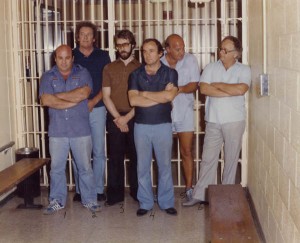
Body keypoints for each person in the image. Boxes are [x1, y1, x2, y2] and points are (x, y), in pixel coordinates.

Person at [183, 36, 251, 206]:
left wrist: (218, 84)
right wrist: (230, 90)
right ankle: (200, 194)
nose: (221, 52)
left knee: (231, 159)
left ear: (236, 54)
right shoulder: (211, 67)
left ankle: (226, 195)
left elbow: (241, 89)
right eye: (220, 49)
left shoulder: (244, 70)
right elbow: (204, 89)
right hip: (213, 120)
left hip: (234, 121)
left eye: (225, 50)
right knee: (208, 158)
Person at [40, 44, 101, 214]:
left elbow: (84, 94)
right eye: (60, 58)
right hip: (57, 131)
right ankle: (57, 200)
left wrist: (57, 96)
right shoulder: (47, 76)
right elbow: (46, 100)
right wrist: (73, 99)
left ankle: (89, 200)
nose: (64, 62)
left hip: (80, 129)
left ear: (72, 58)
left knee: (85, 167)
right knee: (56, 168)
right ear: (55, 59)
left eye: (68, 58)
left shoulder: (83, 73)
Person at [128, 38, 178, 216]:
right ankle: (145, 202)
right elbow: (133, 100)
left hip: (163, 125)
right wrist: (160, 95)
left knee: (164, 166)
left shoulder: (170, 73)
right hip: (141, 126)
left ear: (160, 53)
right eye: (144, 51)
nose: (147, 55)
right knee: (142, 166)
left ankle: (166, 202)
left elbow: (169, 98)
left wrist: (145, 94)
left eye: (151, 50)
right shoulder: (135, 75)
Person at [72, 21, 111, 202]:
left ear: (94, 38)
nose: (85, 37)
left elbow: (107, 83)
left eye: (89, 34)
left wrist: (94, 101)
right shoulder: (70, 55)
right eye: (82, 34)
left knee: (98, 150)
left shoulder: (103, 56)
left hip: (98, 108)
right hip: (75, 109)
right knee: (79, 150)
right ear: (77, 37)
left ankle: (97, 189)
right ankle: (80, 190)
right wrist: (80, 103)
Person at [102, 30, 141, 205]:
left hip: (136, 116)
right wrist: (119, 118)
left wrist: (128, 118)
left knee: (136, 156)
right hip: (114, 116)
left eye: (125, 44)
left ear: (133, 45)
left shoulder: (141, 68)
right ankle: (115, 195)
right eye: (119, 44)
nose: (122, 48)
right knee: (115, 156)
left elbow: (142, 97)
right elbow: (105, 96)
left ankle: (137, 192)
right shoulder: (109, 68)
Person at [161, 34, 200, 201]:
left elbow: (194, 84)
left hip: (184, 110)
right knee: (163, 153)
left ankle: (189, 188)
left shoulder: (190, 60)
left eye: (183, 47)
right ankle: (164, 190)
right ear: (167, 49)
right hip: (163, 112)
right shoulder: (159, 62)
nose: (182, 52)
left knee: (186, 151)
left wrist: (178, 90)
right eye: (177, 49)